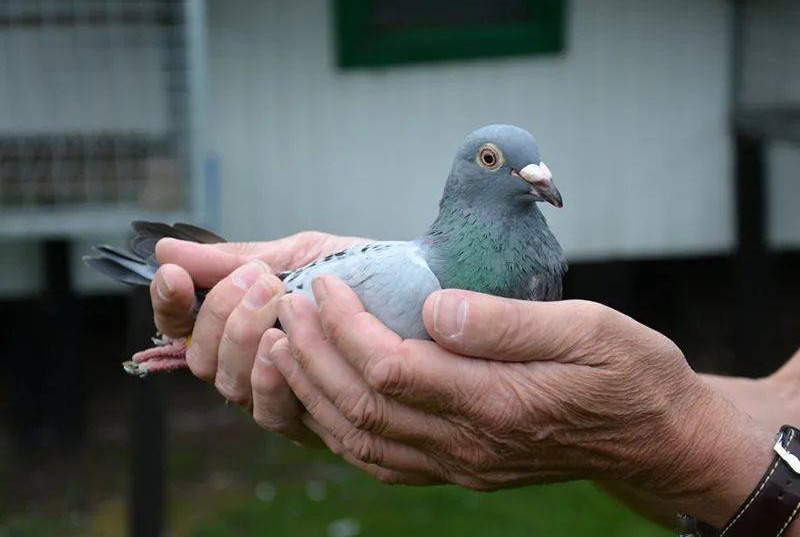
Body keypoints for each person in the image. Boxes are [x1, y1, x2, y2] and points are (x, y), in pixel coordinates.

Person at [148, 231, 800, 534]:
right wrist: (643, 421)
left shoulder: (525, 254)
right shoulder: (412, 275)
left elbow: (710, 431)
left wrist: (665, 430)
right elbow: (777, 408)